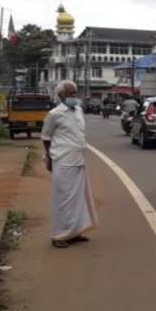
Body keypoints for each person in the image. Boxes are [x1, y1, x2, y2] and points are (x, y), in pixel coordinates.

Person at [41, 81, 98, 249]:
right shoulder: (54, 114)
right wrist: (50, 160)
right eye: (70, 94)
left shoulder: (79, 110)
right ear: (61, 96)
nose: (74, 97)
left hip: (78, 159)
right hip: (63, 161)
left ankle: (75, 231)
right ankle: (59, 235)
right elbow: (46, 137)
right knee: (63, 199)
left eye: (75, 93)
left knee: (78, 199)